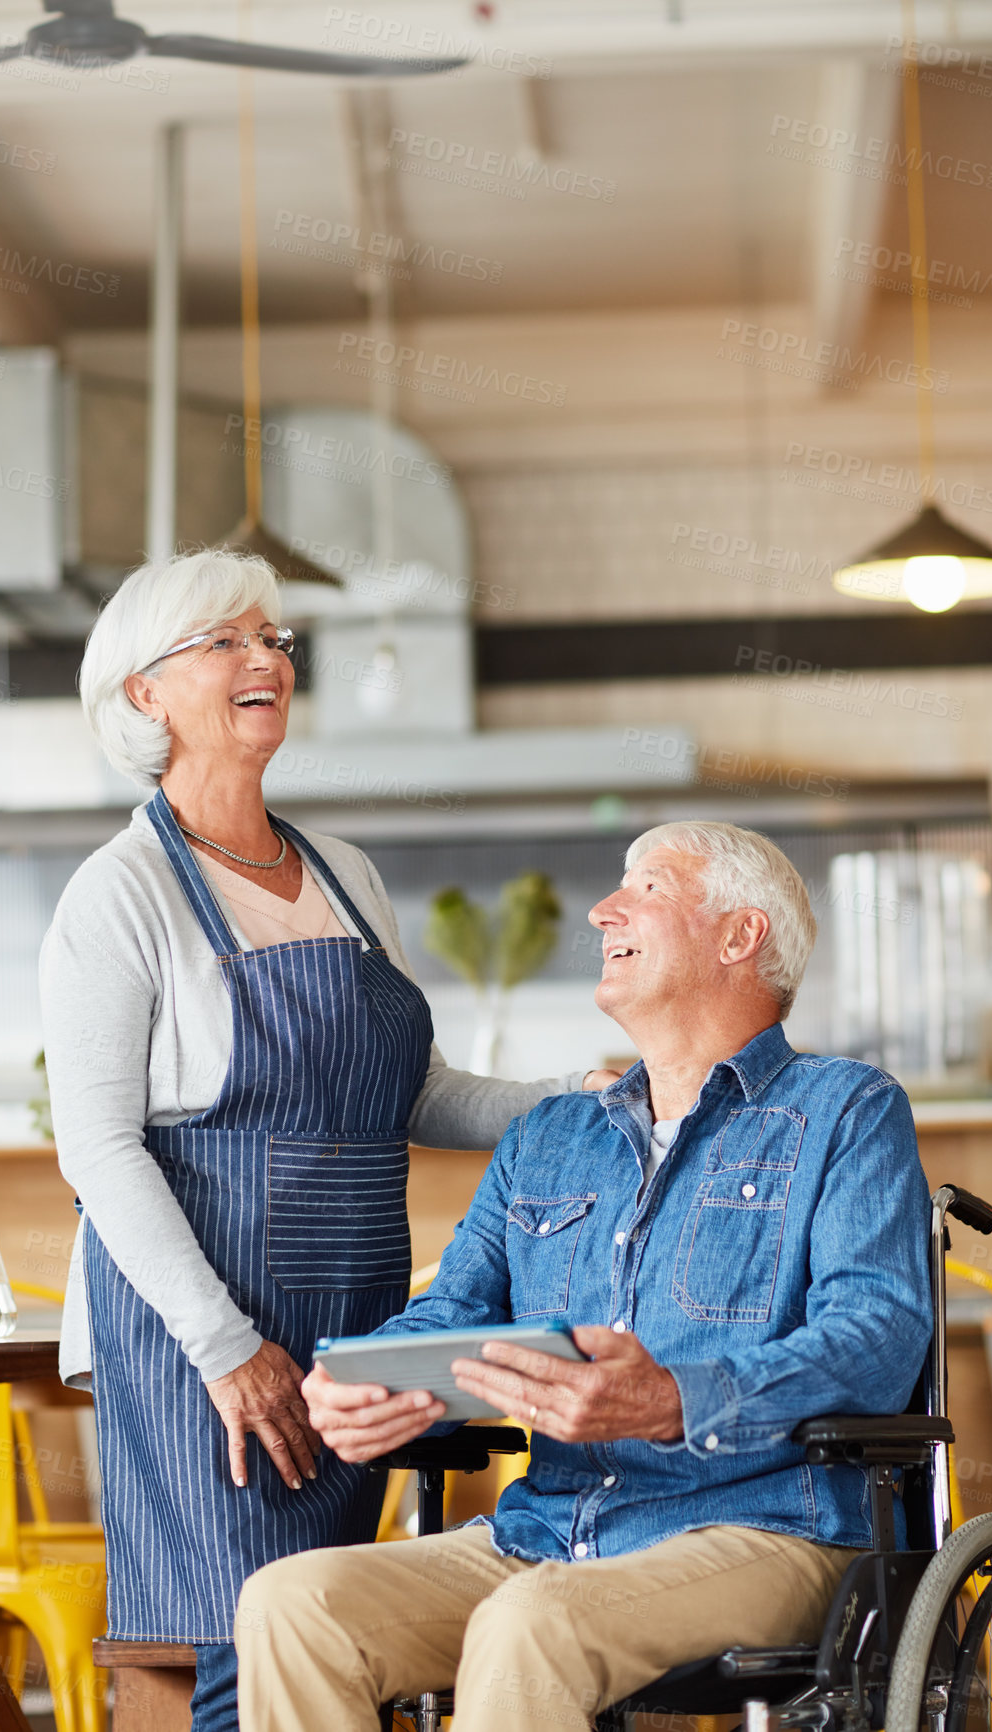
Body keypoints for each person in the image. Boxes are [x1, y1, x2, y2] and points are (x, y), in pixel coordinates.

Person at [39, 548, 614, 1732]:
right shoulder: (122, 893)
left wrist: (576, 1094)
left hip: (351, 1318)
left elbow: (417, 1091)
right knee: (239, 1643)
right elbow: (97, 1149)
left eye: (275, 640)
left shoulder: (342, 874)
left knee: (329, 1634)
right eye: (227, 642)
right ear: (144, 693)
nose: (266, 660)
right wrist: (224, 1347)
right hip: (201, 1327)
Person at [235, 820, 933, 1732]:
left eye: (646, 887)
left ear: (739, 935)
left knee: (533, 1625)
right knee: (293, 1606)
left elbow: (873, 1341)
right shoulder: (551, 1136)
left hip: (768, 1527)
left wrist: (676, 1399)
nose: (605, 909)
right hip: (551, 1531)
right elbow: (455, 1310)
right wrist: (370, 1382)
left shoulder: (847, 1108)